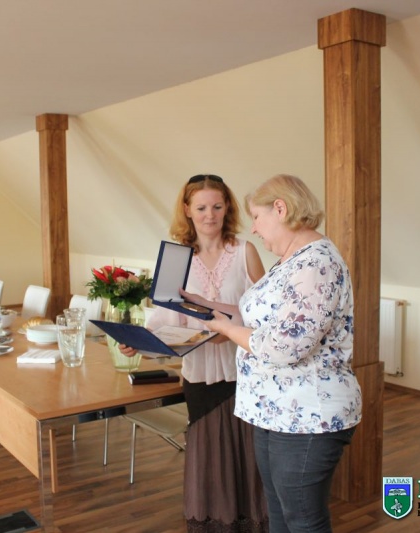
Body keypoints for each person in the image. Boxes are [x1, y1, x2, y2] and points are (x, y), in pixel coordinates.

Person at [186, 174, 362, 533]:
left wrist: (225, 330)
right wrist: (207, 305)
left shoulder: (316, 264)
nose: (253, 227)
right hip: (275, 411)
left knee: (303, 520)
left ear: (280, 209)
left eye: (257, 216)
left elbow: (283, 346)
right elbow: (259, 317)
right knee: (279, 514)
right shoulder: (291, 260)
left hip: (308, 414)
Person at [123, 174, 268, 531]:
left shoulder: (245, 252)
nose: (210, 215)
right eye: (201, 208)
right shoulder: (176, 258)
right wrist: (139, 340)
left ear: (227, 207)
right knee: (210, 459)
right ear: (187, 210)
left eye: (217, 206)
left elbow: (266, 313)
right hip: (199, 376)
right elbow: (163, 318)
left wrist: (230, 332)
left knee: (248, 457)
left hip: (244, 375)